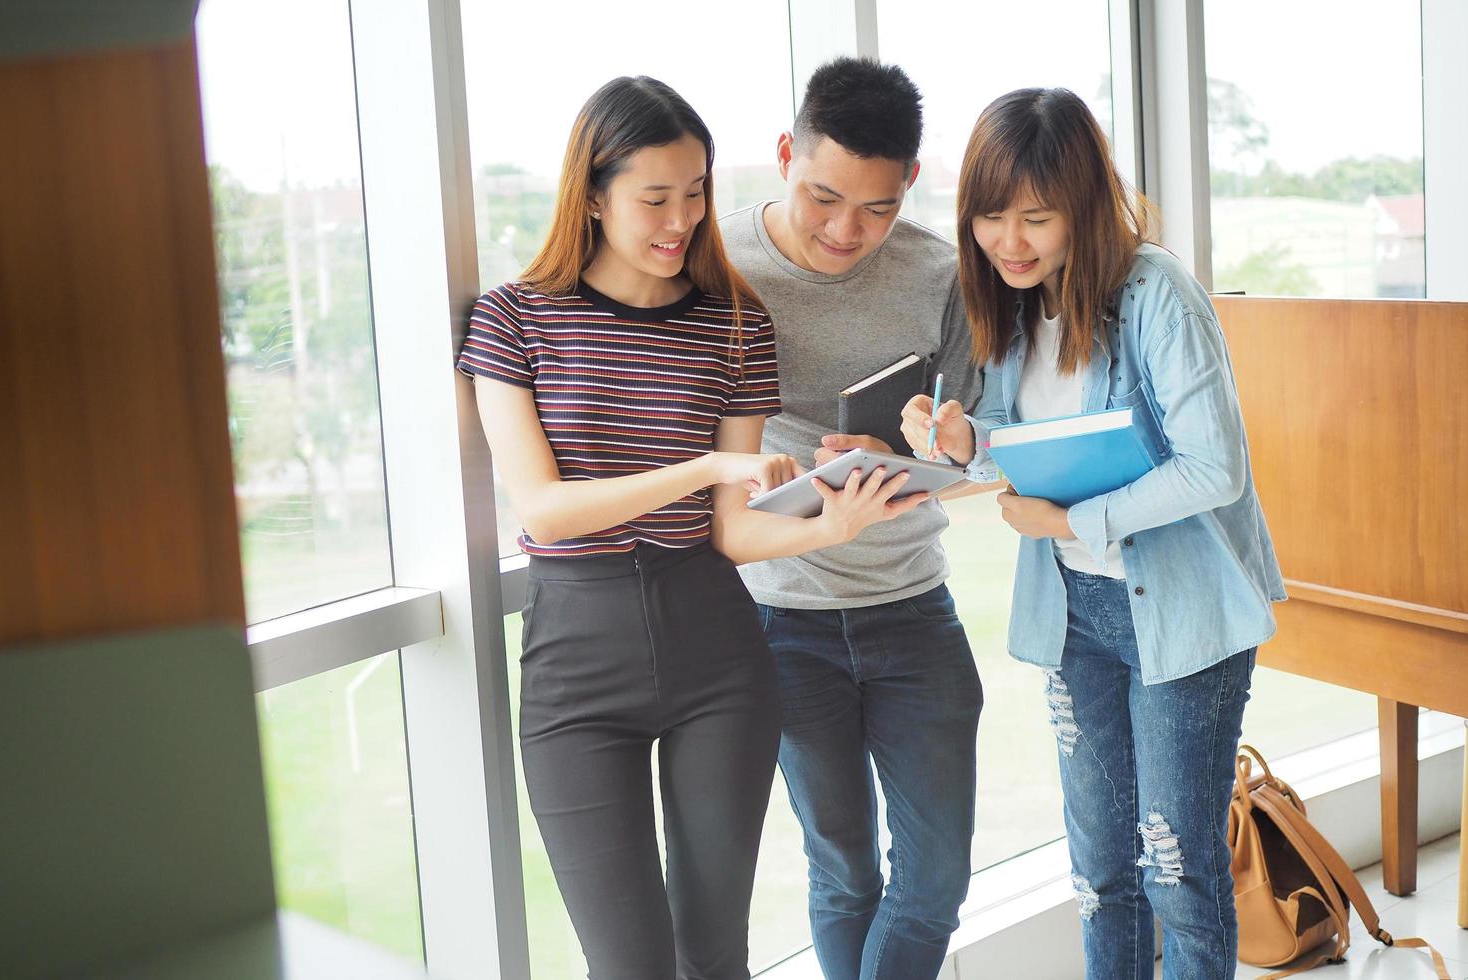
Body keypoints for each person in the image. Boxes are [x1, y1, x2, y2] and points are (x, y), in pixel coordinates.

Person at [458, 75, 923, 980]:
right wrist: (708, 466)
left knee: (715, 959)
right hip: (576, 672)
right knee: (628, 966)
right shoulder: (516, 319)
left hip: (718, 657)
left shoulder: (734, 324)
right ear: (591, 194)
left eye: (698, 191)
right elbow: (545, 511)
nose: (682, 219)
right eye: (655, 197)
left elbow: (733, 534)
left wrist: (836, 525)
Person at [905, 87, 1285, 979]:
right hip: (1075, 608)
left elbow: (1212, 468)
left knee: (1179, 870)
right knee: (1100, 871)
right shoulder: (1010, 302)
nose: (1010, 240)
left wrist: (1073, 520)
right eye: (992, 216)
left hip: (1182, 615)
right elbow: (1019, 444)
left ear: (1082, 202)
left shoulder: (1159, 293)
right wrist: (965, 440)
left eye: (1036, 217)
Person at [720, 57, 984, 980]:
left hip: (914, 606)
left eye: (875, 208)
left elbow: (974, 448)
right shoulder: (720, 265)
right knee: (841, 872)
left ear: (910, 182)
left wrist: (936, 449)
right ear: (786, 154)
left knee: (939, 877)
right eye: (822, 198)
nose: (845, 231)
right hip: (781, 617)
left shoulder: (940, 274)